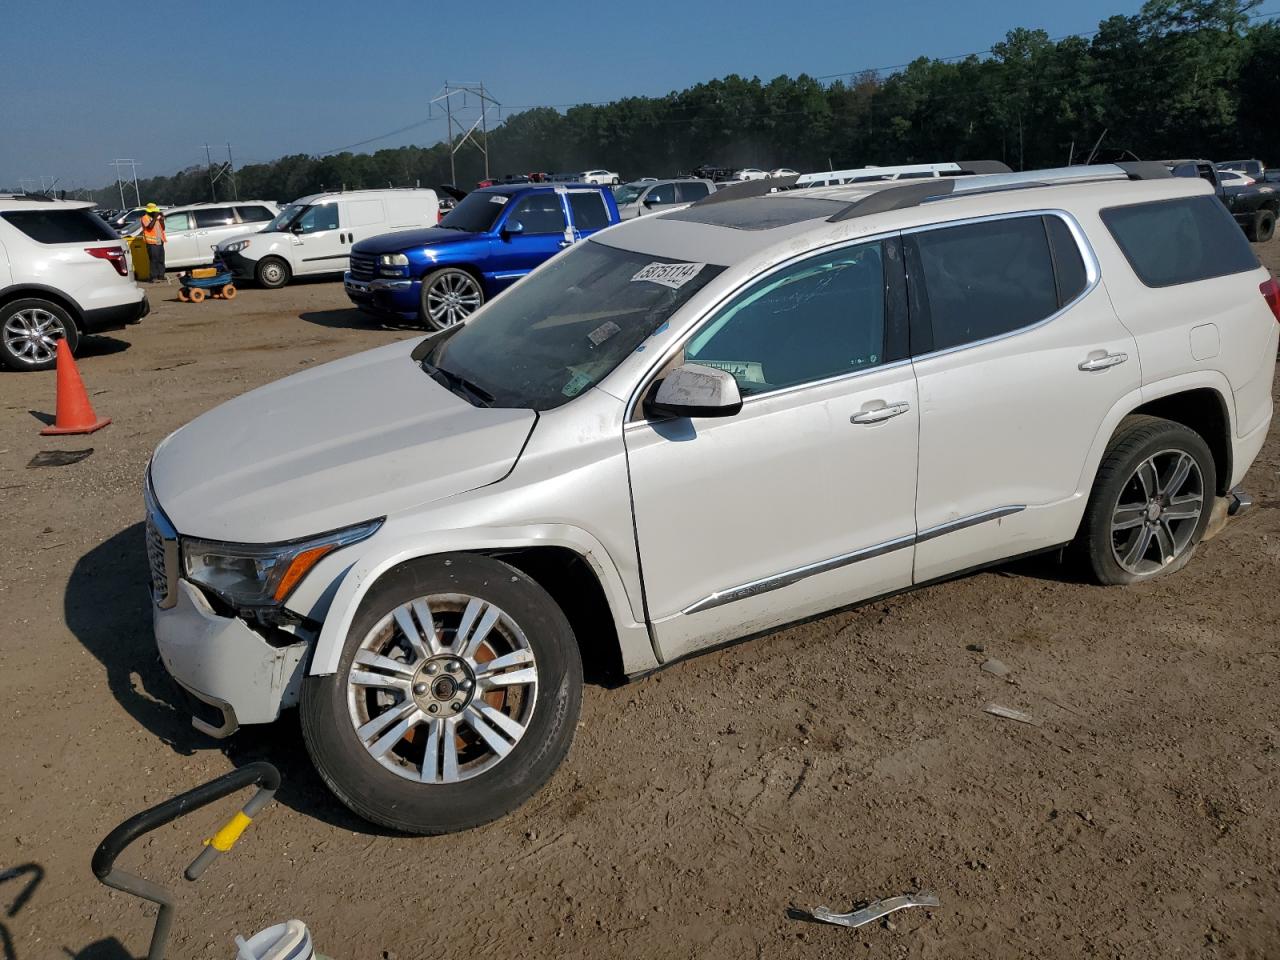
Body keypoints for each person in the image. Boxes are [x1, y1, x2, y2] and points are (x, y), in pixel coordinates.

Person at [139, 203, 166, 283]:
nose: (155, 213)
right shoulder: (145, 218)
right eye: (154, 211)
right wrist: (155, 218)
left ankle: (161, 275)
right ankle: (153, 277)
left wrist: (161, 220)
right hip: (151, 242)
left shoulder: (157, 218)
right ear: (149, 211)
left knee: (161, 259)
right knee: (154, 260)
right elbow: (149, 227)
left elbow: (163, 228)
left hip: (159, 241)